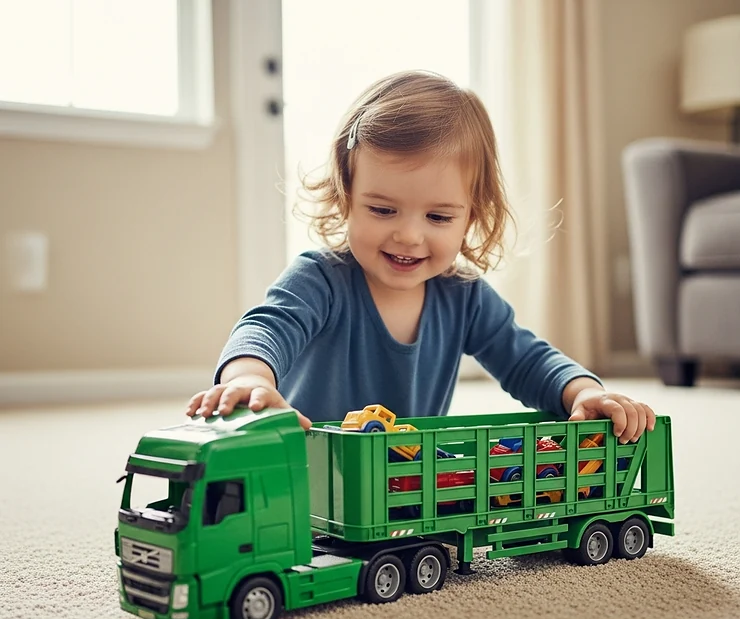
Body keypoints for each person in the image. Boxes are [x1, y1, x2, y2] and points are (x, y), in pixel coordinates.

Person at [187, 70, 655, 444]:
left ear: (472, 215)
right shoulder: (320, 278)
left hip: (404, 475)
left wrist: (586, 391)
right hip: (306, 467)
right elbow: (266, 328)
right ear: (346, 193)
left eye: (438, 217)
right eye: (383, 209)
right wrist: (250, 378)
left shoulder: (464, 297)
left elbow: (527, 360)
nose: (408, 235)